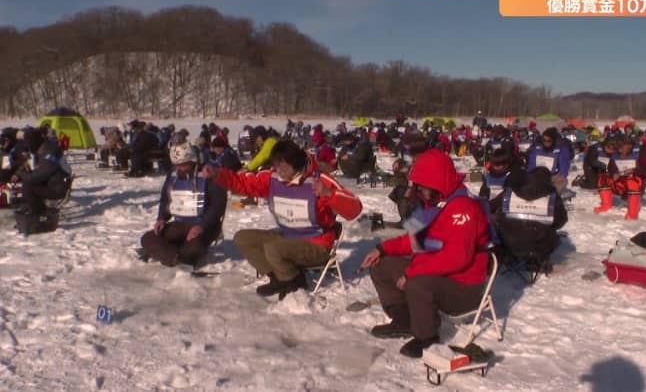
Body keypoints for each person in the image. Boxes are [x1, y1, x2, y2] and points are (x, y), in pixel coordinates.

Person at [359, 149, 490, 358]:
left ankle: (426, 336)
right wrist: (382, 249)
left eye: (420, 186)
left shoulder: (463, 208)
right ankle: (404, 319)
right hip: (435, 276)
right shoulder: (430, 206)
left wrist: (412, 272)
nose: (416, 191)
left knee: (417, 283)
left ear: (436, 183)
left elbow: (457, 257)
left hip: (463, 286)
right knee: (382, 266)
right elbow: (412, 239)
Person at [201, 140, 362, 299]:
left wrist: (329, 195)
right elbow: (243, 183)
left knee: (274, 248)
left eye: (282, 166)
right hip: (287, 236)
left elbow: (355, 209)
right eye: (275, 165)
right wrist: (218, 174)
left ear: (295, 163)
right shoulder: (272, 179)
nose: (278, 170)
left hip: (317, 244)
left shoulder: (321, 181)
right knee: (244, 238)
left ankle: (295, 283)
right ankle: (279, 278)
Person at [139, 141, 228, 268]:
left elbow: (217, 206)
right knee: (148, 238)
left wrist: (201, 226)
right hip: (180, 224)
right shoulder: (174, 175)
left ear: (192, 160)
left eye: (183, 164)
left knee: (194, 247)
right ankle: (174, 258)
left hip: (205, 226)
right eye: (177, 165)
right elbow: (166, 198)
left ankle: (173, 256)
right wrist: (161, 218)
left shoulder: (210, 173)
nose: (180, 168)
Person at [490, 167, 567, 273]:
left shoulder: (509, 193)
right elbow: (560, 222)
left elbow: (490, 207)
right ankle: (538, 259)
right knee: (554, 235)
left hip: (509, 243)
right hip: (539, 247)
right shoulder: (552, 198)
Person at [593, 136, 646, 220]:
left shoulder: (641, 152)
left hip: (637, 182)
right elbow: (611, 168)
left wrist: (634, 170)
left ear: (629, 145)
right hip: (620, 182)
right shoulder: (616, 153)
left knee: (632, 181)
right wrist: (614, 173)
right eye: (618, 148)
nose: (620, 150)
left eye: (622, 148)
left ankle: (632, 214)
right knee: (603, 177)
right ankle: (606, 205)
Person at [12, 141, 72, 215]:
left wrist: (21, 174)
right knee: (30, 185)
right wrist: (20, 173)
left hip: (57, 190)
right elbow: (38, 174)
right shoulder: (51, 156)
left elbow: (33, 178)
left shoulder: (48, 160)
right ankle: (36, 208)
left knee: (28, 186)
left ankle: (37, 213)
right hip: (57, 186)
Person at [527, 127, 571, 193]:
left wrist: (563, 175)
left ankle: (552, 194)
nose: (546, 142)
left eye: (549, 140)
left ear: (553, 140)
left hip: (553, 176)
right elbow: (532, 164)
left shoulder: (561, 150)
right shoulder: (537, 149)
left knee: (563, 181)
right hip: (538, 176)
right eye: (544, 140)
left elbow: (564, 164)